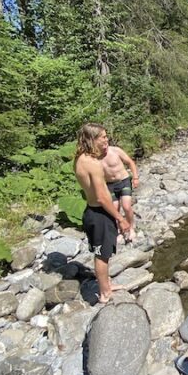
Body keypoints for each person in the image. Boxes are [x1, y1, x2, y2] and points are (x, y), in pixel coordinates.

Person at [74, 123, 130, 304]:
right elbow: (102, 197)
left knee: (101, 252)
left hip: (92, 211)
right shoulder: (93, 163)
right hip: (99, 214)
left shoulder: (79, 158)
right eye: (103, 137)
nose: (107, 140)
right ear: (92, 139)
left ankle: (106, 284)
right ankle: (105, 293)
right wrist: (120, 218)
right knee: (102, 255)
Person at [101, 142, 139, 242]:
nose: (105, 145)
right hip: (109, 184)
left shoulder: (115, 150)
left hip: (123, 181)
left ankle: (131, 228)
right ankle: (120, 230)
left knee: (126, 206)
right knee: (114, 208)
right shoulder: (95, 157)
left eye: (106, 141)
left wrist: (135, 177)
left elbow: (130, 162)